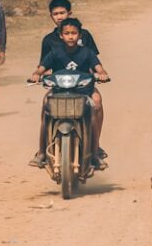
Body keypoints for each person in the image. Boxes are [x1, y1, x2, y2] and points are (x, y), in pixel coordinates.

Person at [29, 17, 109, 169]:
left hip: (84, 91)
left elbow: (99, 68)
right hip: (59, 91)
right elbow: (40, 68)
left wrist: (103, 74)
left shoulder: (87, 52)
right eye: (67, 33)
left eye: (74, 33)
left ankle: (95, 152)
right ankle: (41, 153)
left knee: (96, 104)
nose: (70, 36)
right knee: (46, 106)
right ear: (61, 35)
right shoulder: (55, 52)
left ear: (79, 35)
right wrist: (36, 74)